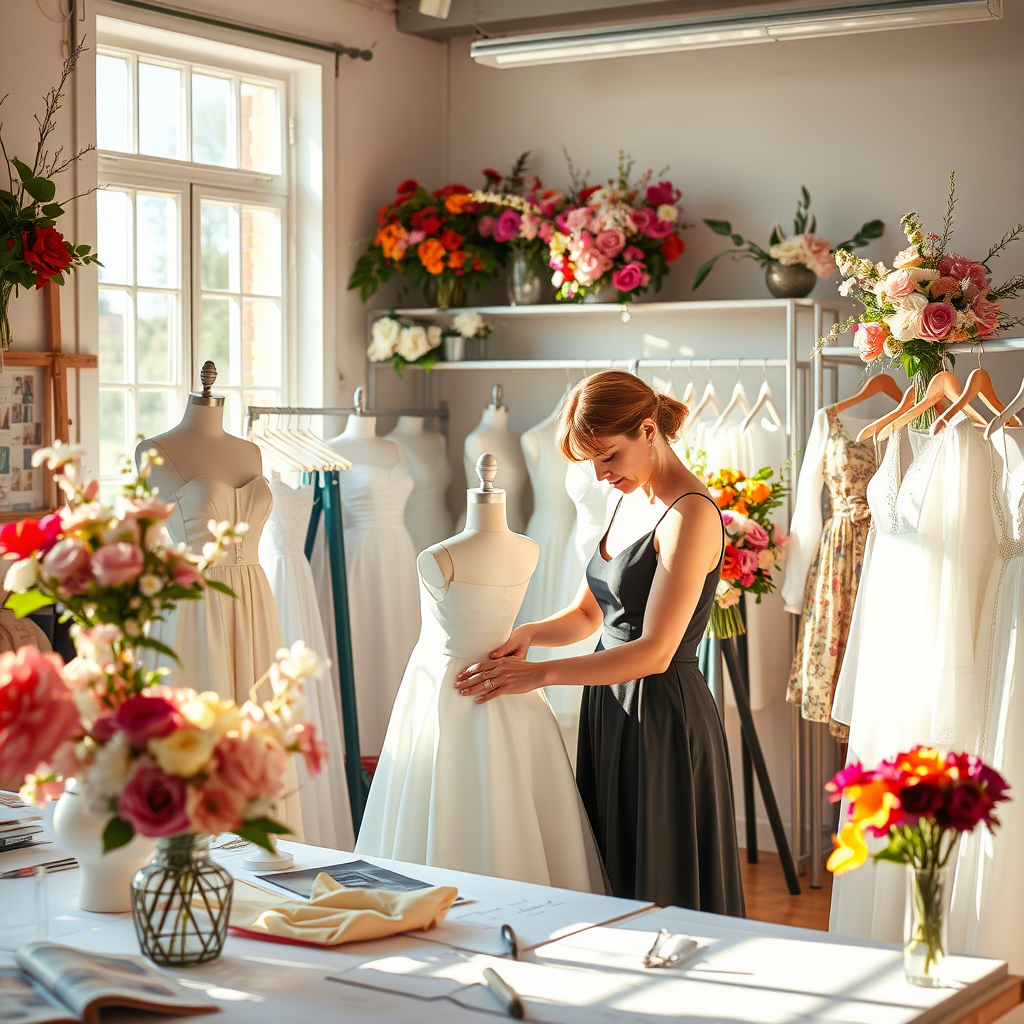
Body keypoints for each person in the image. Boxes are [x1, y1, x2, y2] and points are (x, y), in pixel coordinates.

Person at [455, 370, 745, 915]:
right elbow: (592, 612)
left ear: (648, 429)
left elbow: (656, 651)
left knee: (659, 879)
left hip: (661, 716)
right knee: (608, 865)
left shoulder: (690, 515)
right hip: (610, 704)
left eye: (608, 456)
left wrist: (540, 674)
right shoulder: (631, 497)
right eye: (591, 461)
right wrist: (531, 635)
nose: (600, 474)